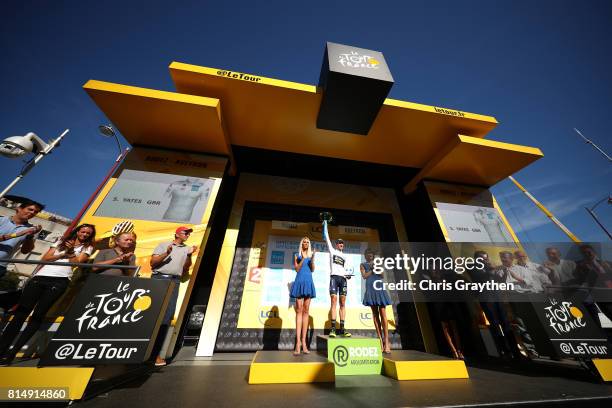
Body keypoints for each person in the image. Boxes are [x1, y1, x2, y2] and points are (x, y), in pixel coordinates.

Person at [0, 223, 96, 365]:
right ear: (78, 231)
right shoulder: (61, 241)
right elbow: (45, 258)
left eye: (88, 233)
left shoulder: (88, 247)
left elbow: (77, 263)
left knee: (38, 316)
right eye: (83, 231)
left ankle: (11, 353)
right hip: (40, 278)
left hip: (60, 281)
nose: (85, 234)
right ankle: (2, 349)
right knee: (20, 313)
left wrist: (70, 253)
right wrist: (64, 252)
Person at [150, 226, 198, 366]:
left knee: (167, 316)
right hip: (159, 279)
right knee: (152, 314)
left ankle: (156, 355)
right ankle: (141, 352)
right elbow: (153, 263)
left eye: (189, 233)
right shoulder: (164, 244)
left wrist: (189, 255)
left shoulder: (186, 248)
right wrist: (167, 252)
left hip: (174, 281)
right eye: (185, 232)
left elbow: (186, 268)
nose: (188, 234)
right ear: (177, 233)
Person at [0, 199, 44, 279]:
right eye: (30, 209)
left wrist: (30, 237)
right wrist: (19, 234)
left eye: (36, 212)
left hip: (1, 266)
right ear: (19, 208)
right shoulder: (1, 220)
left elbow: (25, 251)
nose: (32, 213)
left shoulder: (31, 229)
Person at [322, 219, 351, 337]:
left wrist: (348, 275)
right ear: (336, 245)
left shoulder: (345, 256)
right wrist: (325, 224)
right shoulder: (332, 251)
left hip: (343, 279)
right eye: (339, 243)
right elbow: (326, 236)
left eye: (342, 243)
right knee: (334, 301)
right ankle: (333, 329)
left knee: (343, 303)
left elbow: (347, 270)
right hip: (334, 278)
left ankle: (342, 329)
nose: (341, 244)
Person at [360, 248, 392, 354]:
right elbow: (364, 276)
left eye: (371, 254)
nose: (369, 255)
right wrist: (372, 270)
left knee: (383, 313)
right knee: (375, 314)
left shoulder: (377, 263)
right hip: (370, 289)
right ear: (365, 255)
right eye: (367, 254)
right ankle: (379, 340)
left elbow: (382, 275)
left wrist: (376, 267)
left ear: (373, 255)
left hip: (379, 288)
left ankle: (386, 341)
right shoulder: (363, 264)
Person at [289, 237, 316, 355]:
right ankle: (298, 343)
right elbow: (296, 269)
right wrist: (302, 259)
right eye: (304, 242)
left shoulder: (310, 255)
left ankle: (304, 343)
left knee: (306, 311)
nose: (305, 243)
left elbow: (313, 269)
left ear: (309, 244)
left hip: (308, 282)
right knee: (299, 310)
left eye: (307, 242)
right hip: (299, 282)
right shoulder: (297, 254)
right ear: (301, 244)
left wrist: (312, 259)